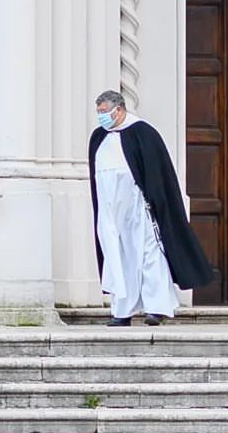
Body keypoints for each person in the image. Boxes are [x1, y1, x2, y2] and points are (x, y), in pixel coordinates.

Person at [88, 90, 213, 325]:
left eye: (104, 112)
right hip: (110, 213)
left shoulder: (142, 133)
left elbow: (157, 174)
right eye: (99, 113)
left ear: (119, 109)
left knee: (150, 256)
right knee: (118, 257)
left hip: (139, 209)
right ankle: (122, 311)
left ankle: (157, 308)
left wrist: (153, 202)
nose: (101, 117)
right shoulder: (99, 137)